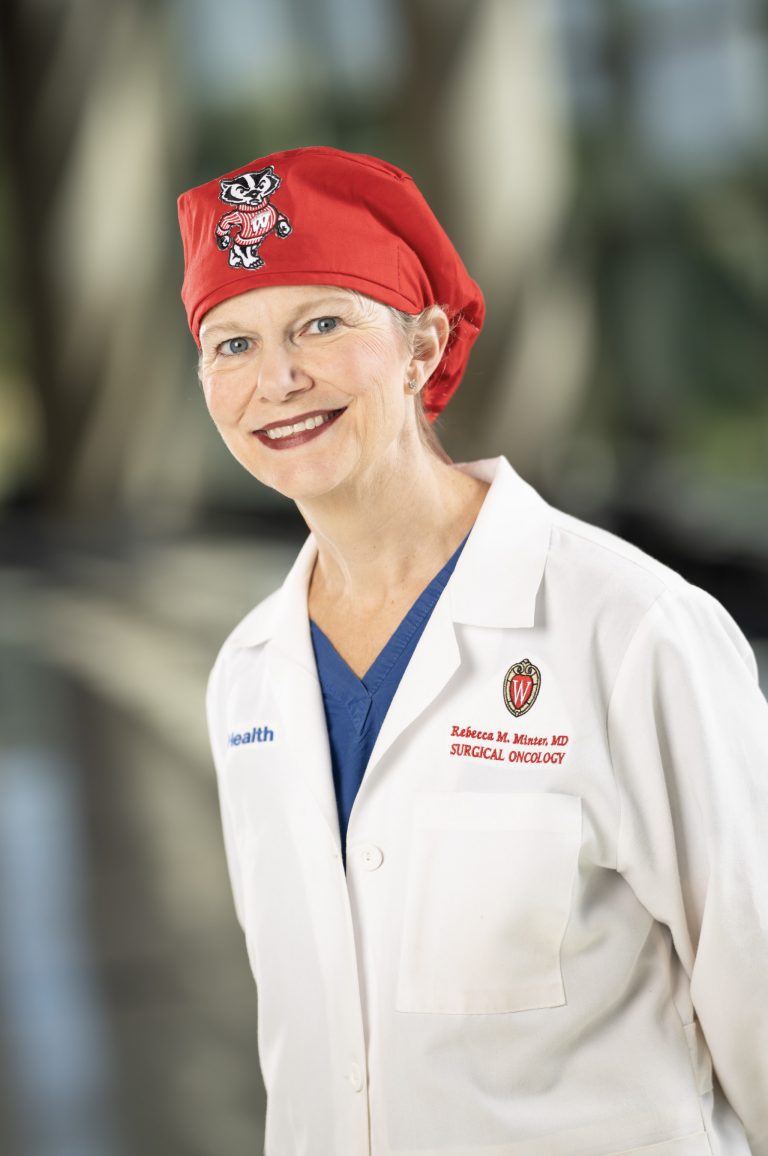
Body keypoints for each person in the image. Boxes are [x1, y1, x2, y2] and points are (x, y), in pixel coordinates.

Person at [176, 146, 768, 1156]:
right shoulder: (249, 675)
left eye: (322, 322)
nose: (276, 378)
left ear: (421, 348)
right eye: (231, 343)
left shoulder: (630, 630)